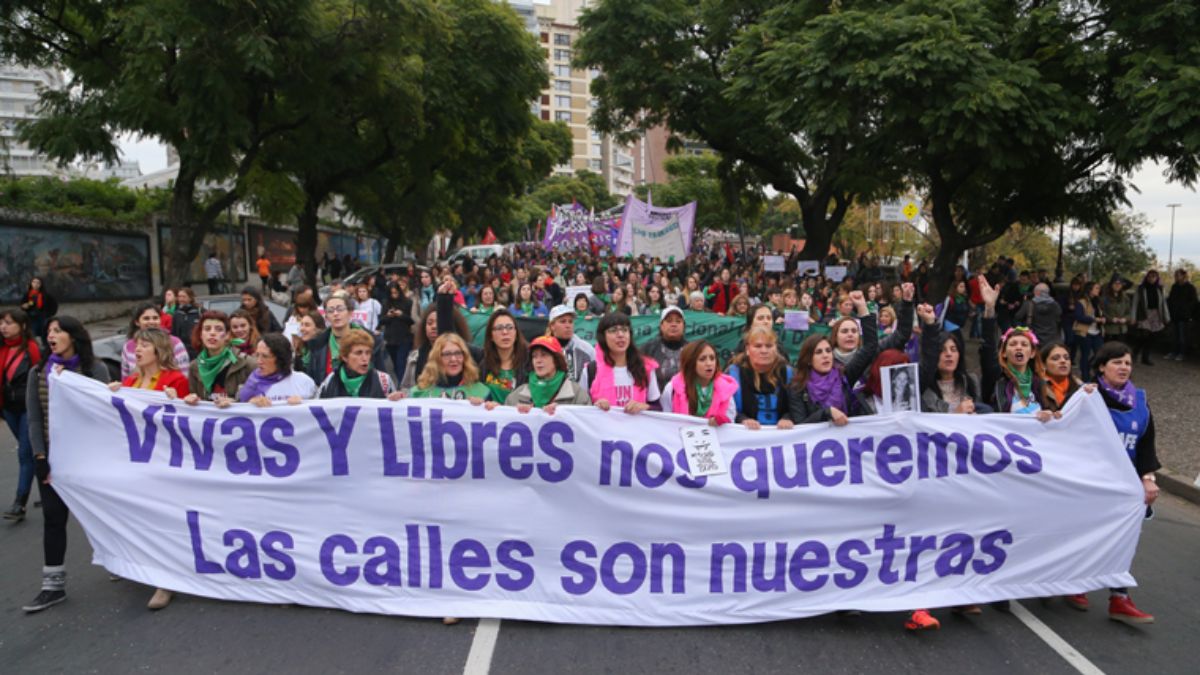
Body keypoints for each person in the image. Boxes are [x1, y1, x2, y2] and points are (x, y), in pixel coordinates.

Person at [21, 316, 111, 612]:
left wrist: (71, 385)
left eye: (57, 330)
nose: (51, 335)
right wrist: (40, 458)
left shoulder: (94, 369)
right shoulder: (38, 372)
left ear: (73, 336)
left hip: (88, 456)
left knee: (102, 514)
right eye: (48, 331)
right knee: (54, 517)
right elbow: (35, 419)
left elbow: (103, 412)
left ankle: (122, 561)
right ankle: (53, 585)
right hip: (52, 457)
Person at [1067, 341, 1159, 624]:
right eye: (1117, 362)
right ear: (1101, 367)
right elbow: (1062, 431)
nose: (1123, 367)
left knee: (1123, 539)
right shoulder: (1086, 396)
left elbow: (1146, 445)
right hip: (1090, 482)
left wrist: (1148, 478)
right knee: (1087, 535)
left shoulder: (1140, 402)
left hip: (1125, 485)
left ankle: (1119, 597)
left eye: (1128, 363)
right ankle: (1075, 583)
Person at [788, 295, 878, 424]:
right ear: (808, 359)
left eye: (828, 351)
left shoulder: (844, 376)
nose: (825, 355)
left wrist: (862, 307)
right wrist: (827, 413)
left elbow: (870, 346)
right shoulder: (798, 387)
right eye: (818, 352)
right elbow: (801, 425)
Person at [2, 309, 41, 522]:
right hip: (8, 408)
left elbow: (40, 378)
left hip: (28, 408)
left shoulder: (32, 349)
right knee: (34, 452)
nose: (3, 327)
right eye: (2, 323)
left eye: (9, 323)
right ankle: (49, 487)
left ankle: (19, 503)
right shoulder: (2, 349)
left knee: (25, 453)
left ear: (22, 326)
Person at [304, 294, 392, 385]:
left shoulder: (371, 342)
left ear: (350, 313)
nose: (335, 314)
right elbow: (312, 383)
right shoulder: (318, 345)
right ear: (326, 317)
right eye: (330, 311)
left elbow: (382, 379)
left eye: (340, 309)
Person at [581, 312, 660, 413]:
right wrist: (595, 406)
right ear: (603, 337)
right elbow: (581, 410)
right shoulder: (590, 370)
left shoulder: (645, 368)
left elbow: (657, 407)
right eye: (613, 331)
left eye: (624, 330)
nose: (620, 335)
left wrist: (644, 407)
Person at [917, 303, 983, 414]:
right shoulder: (924, 388)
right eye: (942, 350)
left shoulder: (971, 382)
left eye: (953, 350)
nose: (949, 354)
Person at [181, 311, 255, 405]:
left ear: (227, 335)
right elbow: (194, 399)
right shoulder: (194, 367)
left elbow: (259, 399)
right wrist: (191, 400)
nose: (212, 333)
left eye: (219, 329)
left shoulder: (247, 363)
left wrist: (235, 403)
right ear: (201, 335)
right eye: (207, 329)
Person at [727, 327, 794, 429]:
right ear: (747, 349)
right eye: (758, 346)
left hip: (781, 435)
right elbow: (725, 410)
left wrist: (788, 418)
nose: (764, 351)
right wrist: (742, 419)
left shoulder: (788, 373)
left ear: (776, 348)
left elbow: (798, 408)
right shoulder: (732, 374)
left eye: (769, 346)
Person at [661, 340, 737, 425]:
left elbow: (731, 423)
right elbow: (666, 422)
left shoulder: (725, 389)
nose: (709, 363)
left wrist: (721, 420)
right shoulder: (672, 388)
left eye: (712, 358)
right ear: (691, 363)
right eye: (702, 359)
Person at [505, 336, 591, 411]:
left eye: (544, 355)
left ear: (557, 360)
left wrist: (562, 413)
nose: (538, 361)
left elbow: (587, 423)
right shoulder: (516, 397)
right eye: (534, 356)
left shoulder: (577, 394)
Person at [406, 333, 491, 401]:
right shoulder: (418, 392)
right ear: (437, 358)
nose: (453, 359)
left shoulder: (481, 392)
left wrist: (485, 406)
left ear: (465, 356)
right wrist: (397, 401)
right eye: (447, 354)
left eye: (458, 353)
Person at [316, 329, 397, 399]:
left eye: (368, 353)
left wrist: (396, 401)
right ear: (345, 357)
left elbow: (395, 413)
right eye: (358, 353)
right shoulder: (330, 380)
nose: (365, 358)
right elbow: (315, 409)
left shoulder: (384, 381)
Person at [238, 334, 317, 405]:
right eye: (257, 355)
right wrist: (251, 404)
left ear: (280, 359)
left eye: (265, 356)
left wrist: (303, 404)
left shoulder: (303, 381)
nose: (259, 361)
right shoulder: (252, 383)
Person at [122, 302, 191, 379]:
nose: (151, 322)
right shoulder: (129, 346)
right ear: (137, 322)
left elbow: (184, 375)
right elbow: (126, 378)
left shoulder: (174, 343)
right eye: (146, 318)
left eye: (155, 318)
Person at [479, 309, 530, 402]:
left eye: (509, 327)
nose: (505, 332)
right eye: (499, 328)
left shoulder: (529, 362)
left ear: (516, 333)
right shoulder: (484, 364)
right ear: (491, 336)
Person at [641, 307, 689, 391]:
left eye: (678, 321)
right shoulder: (648, 348)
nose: (674, 324)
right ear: (661, 325)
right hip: (656, 401)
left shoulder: (692, 349)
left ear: (684, 326)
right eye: (669, 321)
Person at [547, 304, 595, 382]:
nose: (568, 325)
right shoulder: (544, 348)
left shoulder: (586, 349)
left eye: (570, 321)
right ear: (552, 326)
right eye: (563, 321)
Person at [1129, 270, 1169, 366]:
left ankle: (1145, 357)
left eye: (1154, 277)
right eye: (1150, 276)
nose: (1152, 279)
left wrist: (1166, 316)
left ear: (1157, 278)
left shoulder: (1160, 288)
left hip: (1156, 314)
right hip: (1144, 314)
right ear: (1146, 277)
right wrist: (1133, 317)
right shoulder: (1141, 288)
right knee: (1143, 336)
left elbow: (1163, 303)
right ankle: (1135, 352)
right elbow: (1135, 303)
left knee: (1152, 337)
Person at [380, 283, 415, 385]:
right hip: (390, 338)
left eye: (396, 293)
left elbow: (412, 320)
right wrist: (388, 315)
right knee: (395, 364)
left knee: (401, 363)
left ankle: (402, 385)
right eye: (392, 293)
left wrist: (401, 315)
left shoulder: (408, 302)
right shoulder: (386, 303)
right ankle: (400, 382)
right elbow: (381, 320)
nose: (394, 295)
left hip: (404, 337)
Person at [1072, 282, 1105, 382]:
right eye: (1096, 288)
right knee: (1085, 355)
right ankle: (1085, 378)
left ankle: (1097, 374)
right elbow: (1078, 316)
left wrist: (1103, 319)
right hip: (1084, 333)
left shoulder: (1097, 302)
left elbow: (1101, 314)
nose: (1098, 290)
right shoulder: (1081, 302)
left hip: (1096, 332)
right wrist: (1094, 319)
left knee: (1100, 354)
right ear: (1090, 290)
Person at [1015, 283, 1062, 348]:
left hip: (1033, 340)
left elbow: (1017, 317)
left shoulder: (1028, 304)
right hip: (1052, 340)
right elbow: (1058, 319)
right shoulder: (1056, 305)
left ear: (1037, 292)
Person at [1039, 342, 1082, 412]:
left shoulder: (1081, 387)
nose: (1063, 361)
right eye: (1056, 358)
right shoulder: (1036, 387)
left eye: (1067, 358)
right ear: (1043, 365)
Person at [1166, 268, 1196, 361]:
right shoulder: (1175, 286)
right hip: (1174, 315)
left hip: (1184, 316)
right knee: (1174, 336)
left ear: (1183, 276)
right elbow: (1170, 299)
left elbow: (1194, 302)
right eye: (1175, 275)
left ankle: (1182, 353)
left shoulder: (1190, 287)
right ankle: (1173, 352)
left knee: (1182, 336)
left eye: (1177, 275)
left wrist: (1186, 310)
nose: (1176, 277)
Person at [171, 288, 202, 358]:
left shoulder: (199, 312)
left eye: (184, 297)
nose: (181, 299)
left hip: (197, 350)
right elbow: (174, 333)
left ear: (190, 298)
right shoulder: (177, 314)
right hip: (182, 350)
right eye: (179, 297)